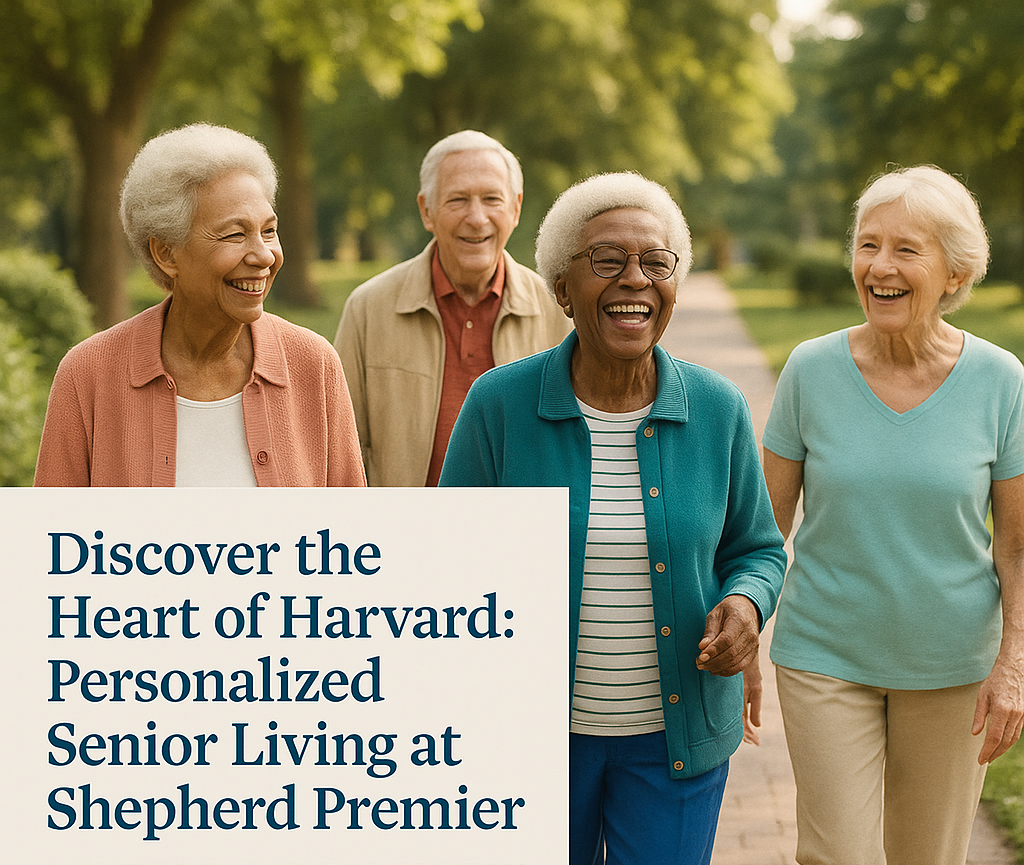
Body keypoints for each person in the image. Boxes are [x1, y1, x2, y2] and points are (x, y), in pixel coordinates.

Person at [440, 172, 787, 864]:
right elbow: (449, 560)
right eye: (607, 260)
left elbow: (758, 548)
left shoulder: (717, 407)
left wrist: (746, 604)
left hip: (676, 742)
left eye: (657, 263)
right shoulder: (499, 404)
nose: (635, 279)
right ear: (562, 287)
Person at [762, 165, 1024, 864]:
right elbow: (764, 528)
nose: (879, 265)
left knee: (928, 857)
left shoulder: (1001, 381)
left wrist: (1014, 662)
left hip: (952, 661)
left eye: (907, 249)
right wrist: (741, 625)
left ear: (955, 270)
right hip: (825, 653)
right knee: (836, 853)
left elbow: (1018, 547)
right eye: (868, 244)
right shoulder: (809, 370)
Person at [34, 123, 365, 487]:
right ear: (166, 253)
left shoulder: (315, 365)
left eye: (268, 231)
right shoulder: (88, 375)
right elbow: (54, 539)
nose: (263, 256)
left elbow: (347, 536)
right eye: (235, 234)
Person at [333, 129, 571, 486]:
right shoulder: (368, 309)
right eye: (458, 199)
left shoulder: (558, 308)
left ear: (516, 207)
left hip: (518, 536)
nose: (476, 218)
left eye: (492, 199)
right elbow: (336, 451)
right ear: (426, 211)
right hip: (403, 534)